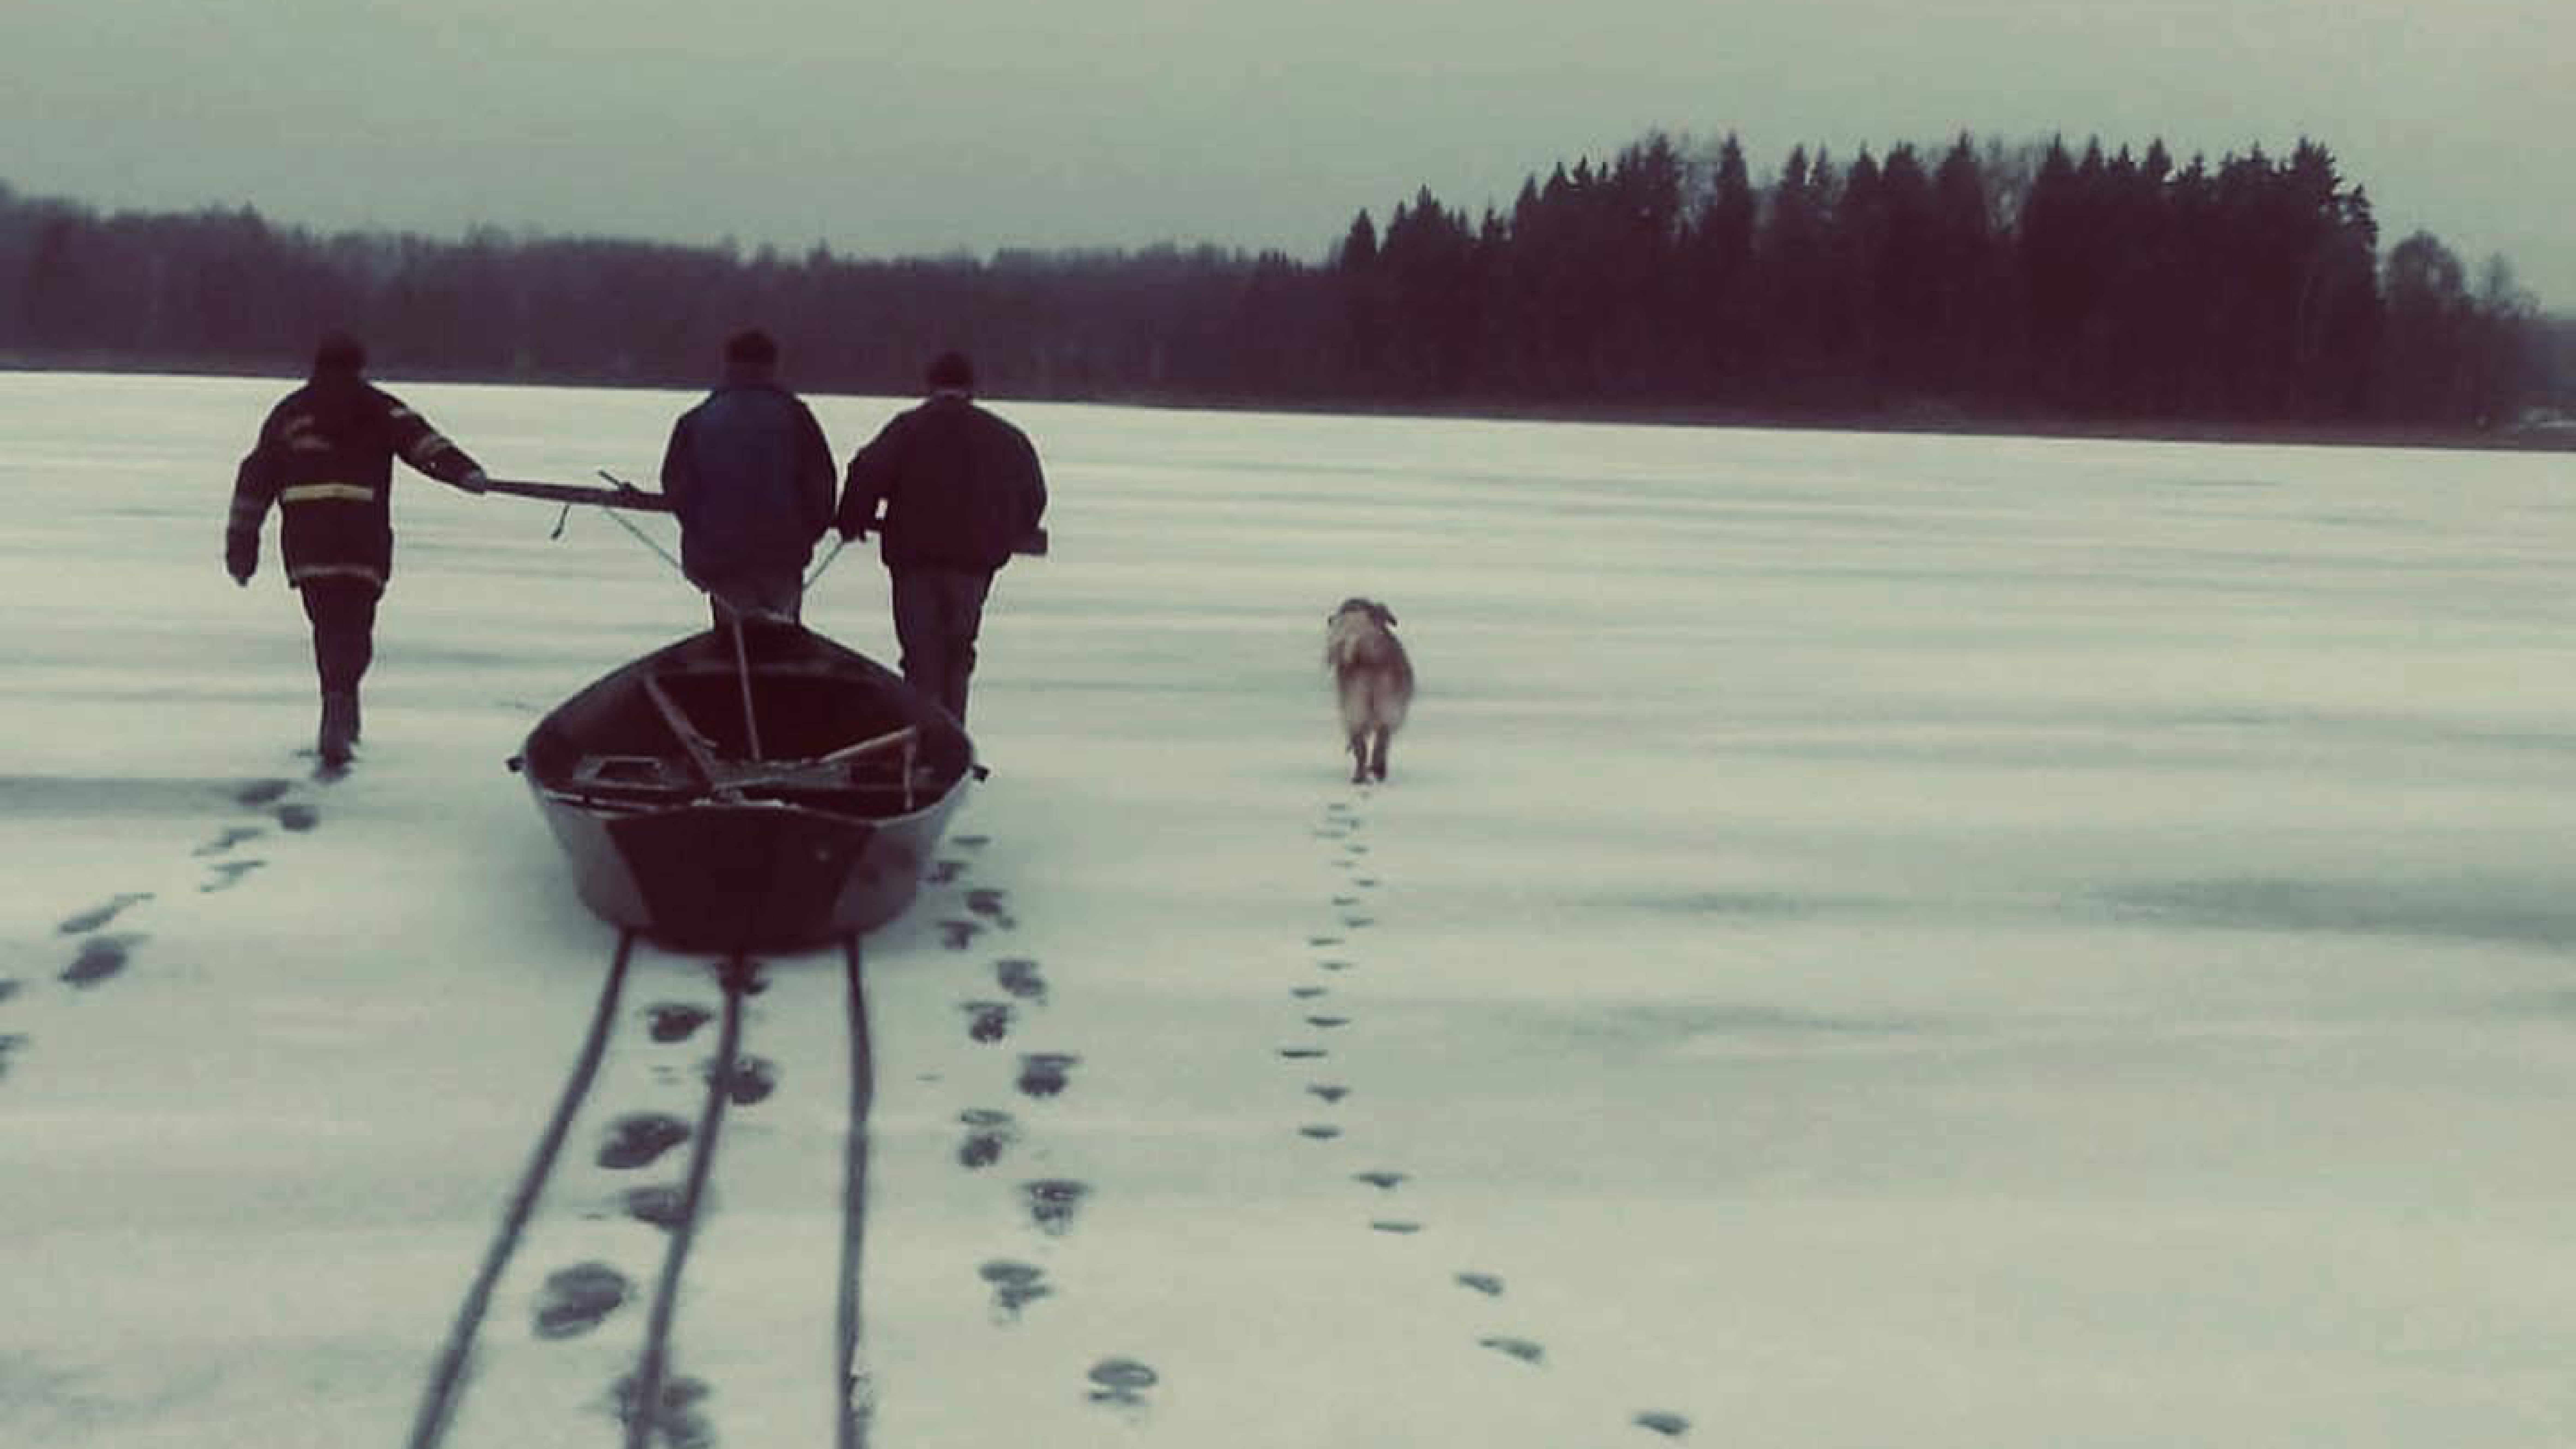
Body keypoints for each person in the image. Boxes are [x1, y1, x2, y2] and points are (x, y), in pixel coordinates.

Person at [226, 330, 490, 767]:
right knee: (355, 628)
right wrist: (467, 474)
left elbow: (254, 482)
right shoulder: (378, 407)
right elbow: (425, 445)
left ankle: (338, 711)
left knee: (327, 626)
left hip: (309, 545)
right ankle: (342, 712)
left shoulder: (290, 413)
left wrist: (242, 548)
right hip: (362, 539)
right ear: (360, 365)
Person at [834, 350, 1047, 724]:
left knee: (921, 654)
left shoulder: (907, 428)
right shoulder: (1006, 437)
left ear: (930, 385)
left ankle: (923, 738)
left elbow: (867, 471)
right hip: (973, 565)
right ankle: (953, 732)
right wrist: (1009, 529)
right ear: (972, 388)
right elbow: (1033, 494)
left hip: (915, 561)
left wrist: (853, 519)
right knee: (958, 651)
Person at [660, 329, 837, 629]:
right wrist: (806, 533)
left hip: (720, 552)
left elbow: (677, 487)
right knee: (782, 638)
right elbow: (822, 485)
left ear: (728, 364)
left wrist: (702, 529)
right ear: (774, 366)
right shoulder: (797, 417)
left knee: (734, 638)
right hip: (783, 552)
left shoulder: (698, 419)